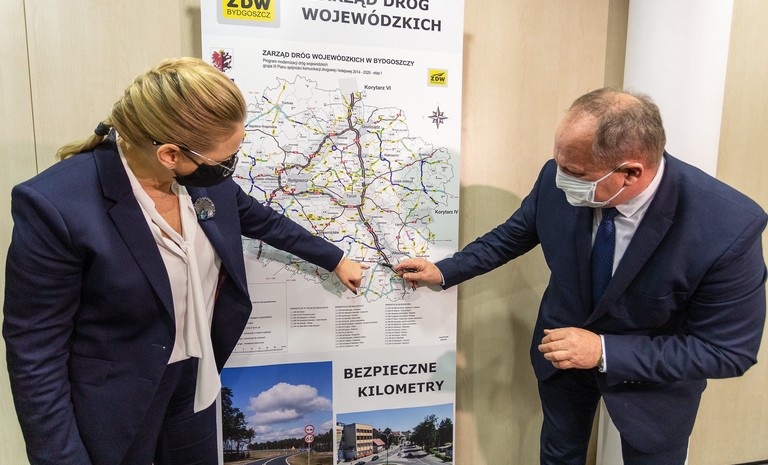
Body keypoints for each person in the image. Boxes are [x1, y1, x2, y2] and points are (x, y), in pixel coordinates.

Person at [3, 57, 366, 465]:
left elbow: (264, 221)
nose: (228, 170)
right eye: (222, 161)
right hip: (118, 398)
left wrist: (335, 259)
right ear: (170, 154)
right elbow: (35, 351)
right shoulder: (56, 205)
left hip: (196, 381)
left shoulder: (203, 183)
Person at [395, 88, 767, 464]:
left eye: (575, 173)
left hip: (654, 382)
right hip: (562, 357)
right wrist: (444, 270)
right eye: (559, 164)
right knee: (559, 454)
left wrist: (602, 351)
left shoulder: (728, 227)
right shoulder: (558, 174)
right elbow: (514, 235)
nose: (560, 180)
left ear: (631, 172)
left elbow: (727, 352)